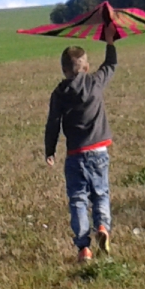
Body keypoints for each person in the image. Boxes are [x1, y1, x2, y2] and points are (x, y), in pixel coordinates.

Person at [45, 40, 116, 261]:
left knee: (78, 199)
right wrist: (110, 42)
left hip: (75, 155)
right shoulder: (95, 82)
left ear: (64, 70)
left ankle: (84, 247)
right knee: (100, 193)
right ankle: (102, 226)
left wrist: (50, 150)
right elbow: (111, 65)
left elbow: (53, 123)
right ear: (86, 67)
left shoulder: (59, 93)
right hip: (99, 152)